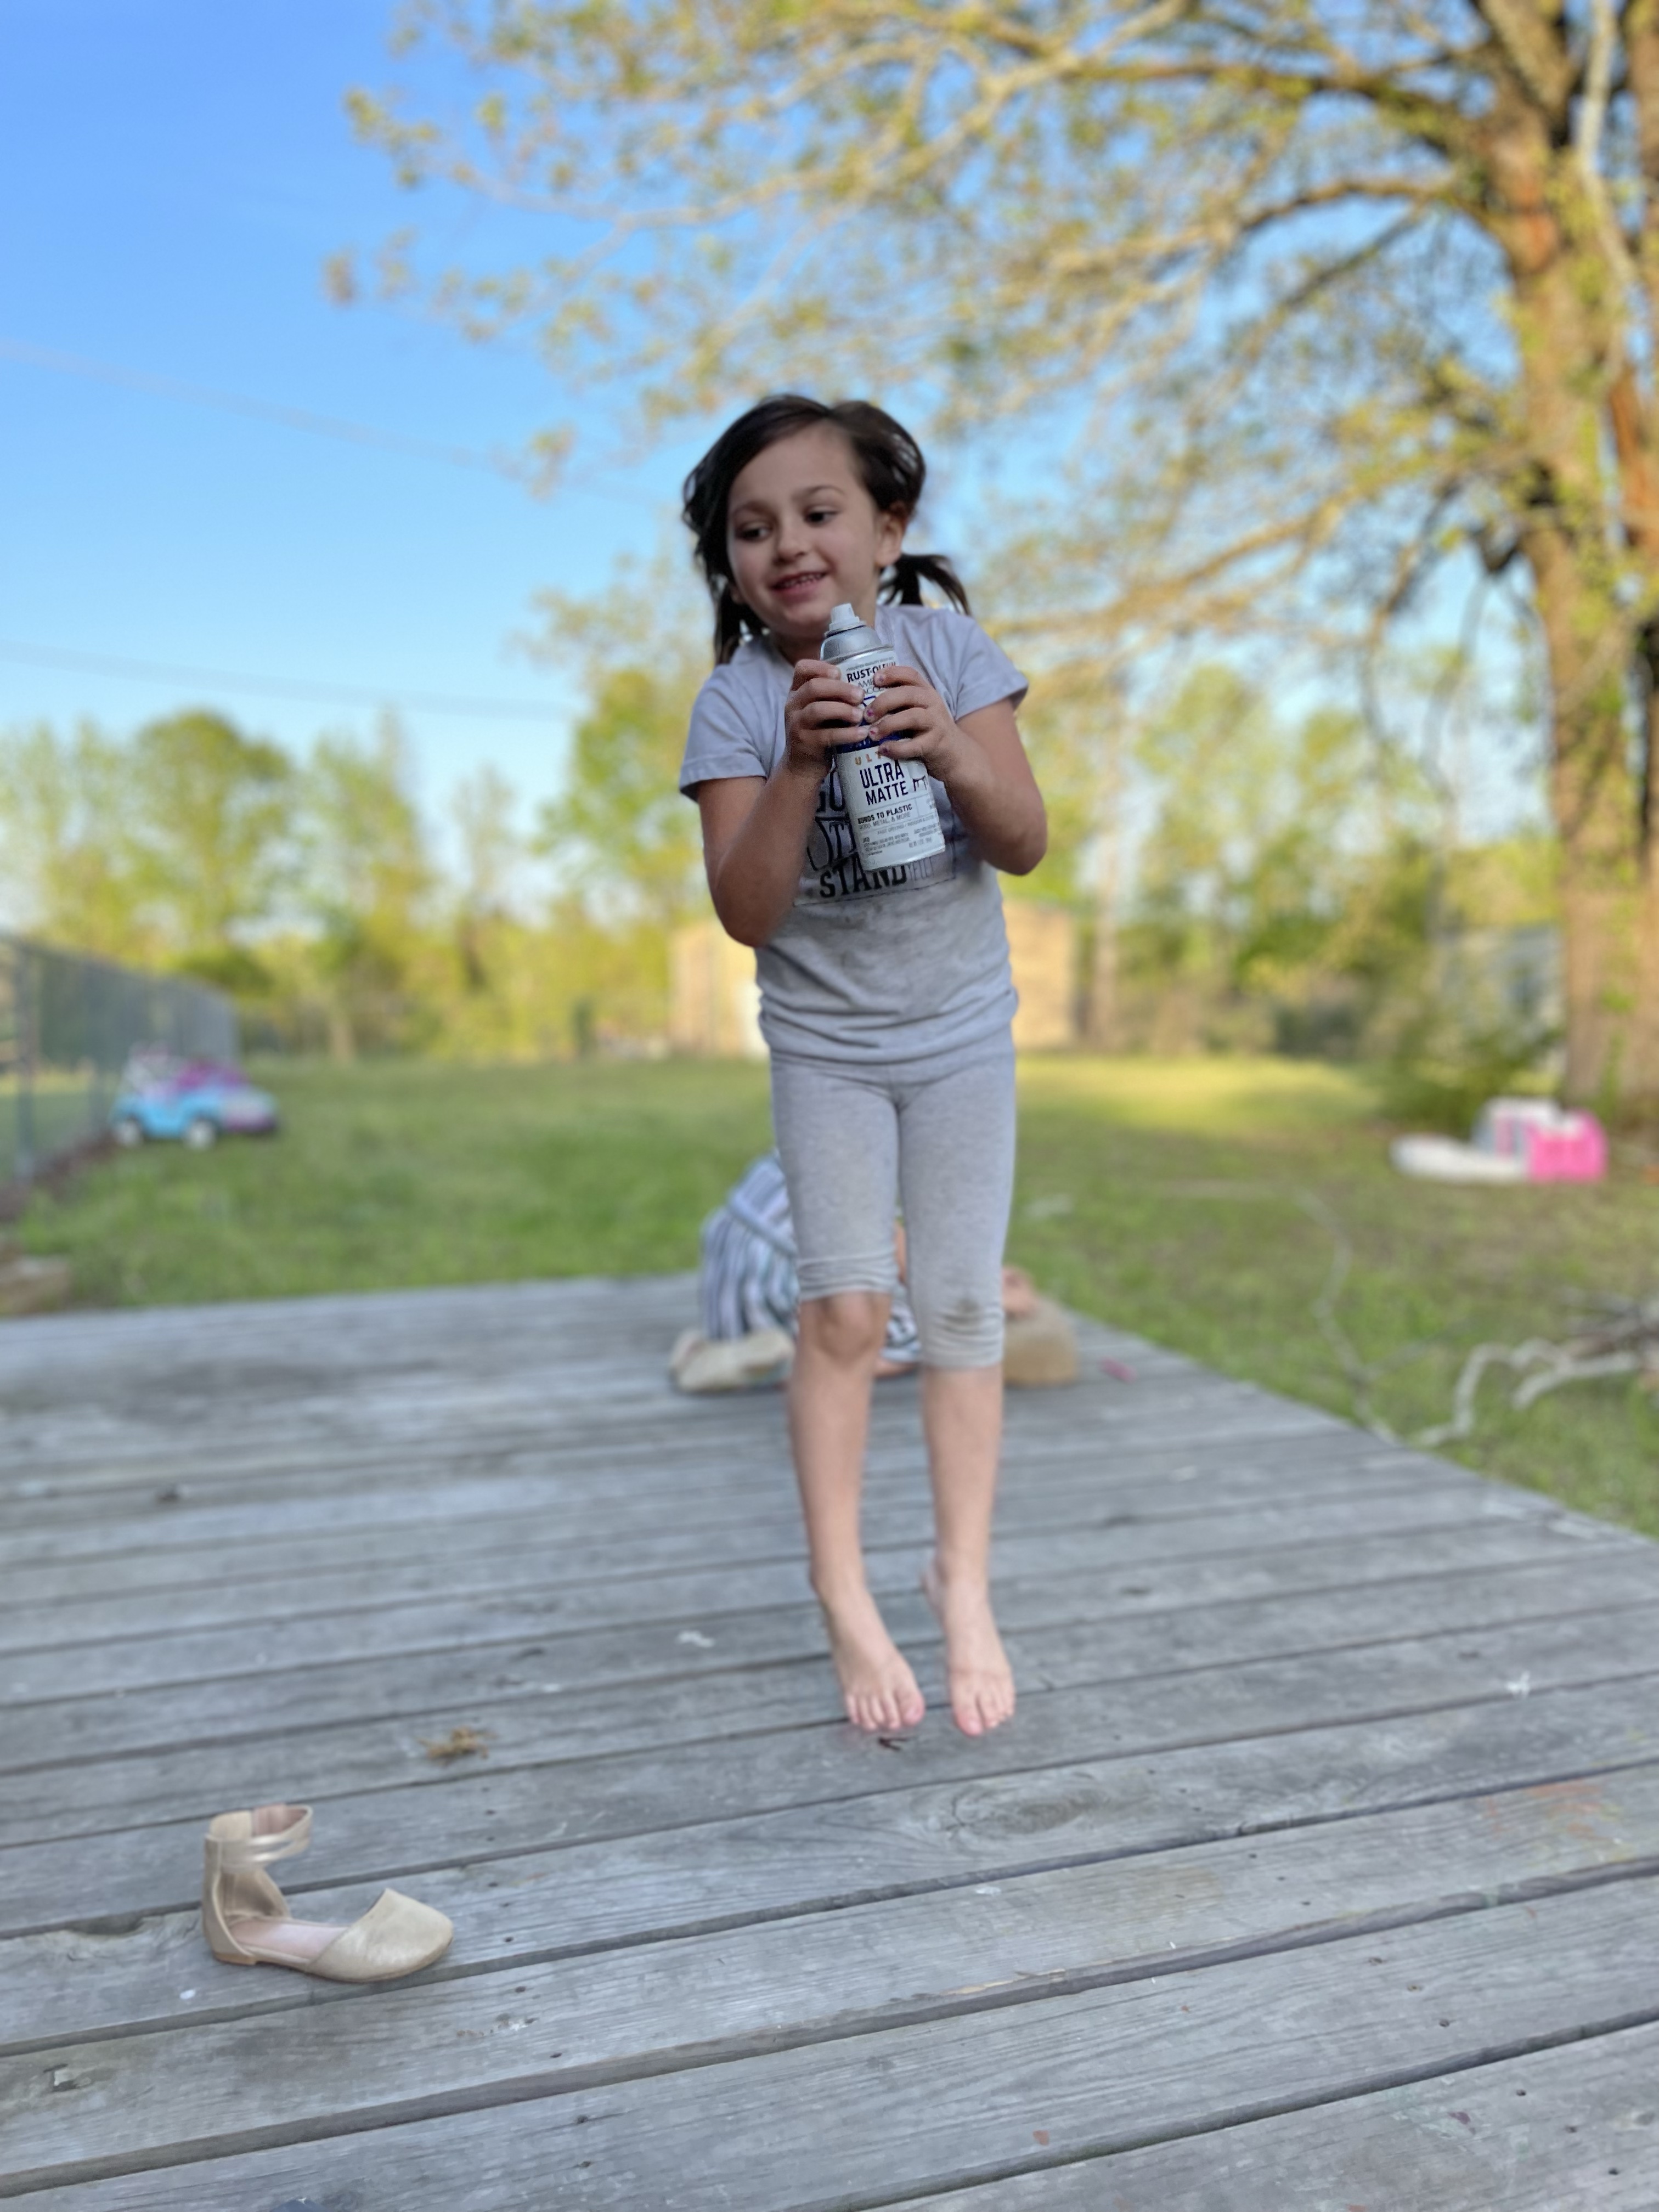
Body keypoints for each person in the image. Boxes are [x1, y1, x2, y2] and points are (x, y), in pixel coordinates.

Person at [678, 393, 1047, 1737]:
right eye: (752, 528)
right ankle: (841, 1586)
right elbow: (746, 912)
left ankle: (960, 1579)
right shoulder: (736, 703)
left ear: (887, 530)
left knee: (960, 1308)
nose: (787, 544)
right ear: (730, 566)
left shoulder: (947, 650)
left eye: (818, 512)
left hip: (961, 1040)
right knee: (841, 1313)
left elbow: (1024, 840)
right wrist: (795, 766)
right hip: (827, 1052)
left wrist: (946, 744)